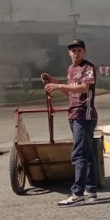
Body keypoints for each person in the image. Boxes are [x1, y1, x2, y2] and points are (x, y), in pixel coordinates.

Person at [41, 39, 99, 207]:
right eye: (73, 50)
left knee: (78, 154)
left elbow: (83, 88)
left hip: (85, 116)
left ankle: (77, 193)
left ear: (84, 52)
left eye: (79, 50)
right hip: (73, 114)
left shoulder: (88, 68)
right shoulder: (71, 69)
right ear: (69, 53)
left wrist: (59, 86)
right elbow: (70, 93)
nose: (76, 52)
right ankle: (91, 190)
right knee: (87, 154)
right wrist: (55, 82)